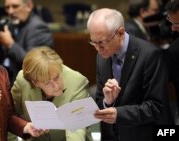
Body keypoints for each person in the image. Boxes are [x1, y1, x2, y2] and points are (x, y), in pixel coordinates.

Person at [87, 8, 173, 141]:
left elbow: (156, 107)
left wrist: (119, 114)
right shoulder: (101, 57)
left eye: (102, 42)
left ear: (120, 33)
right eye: (93, 42)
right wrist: (108, 102)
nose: (98, 48)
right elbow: (99, 99)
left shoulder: (150, 55)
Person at [10, 47, 93, 141]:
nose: (56, 86)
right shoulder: (23, 81)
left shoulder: (77, 82)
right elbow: (9, 117)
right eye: (47, 82)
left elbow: (76, 129)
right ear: (35, 82)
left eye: (57, 77)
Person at [0, 0, 54, 83]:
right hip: (5, 78)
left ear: (29, 6)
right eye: (7, 7)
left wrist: (10, 44)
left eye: (15, 6)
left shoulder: (38, 28)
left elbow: (35, 64)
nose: (10, 11)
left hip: (27, 83)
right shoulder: (11, 24)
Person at [165, 0, 179, 124]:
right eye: (171, 22)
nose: (173, 28)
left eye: (177, 24)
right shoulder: (173, 50)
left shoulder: (174, 51)